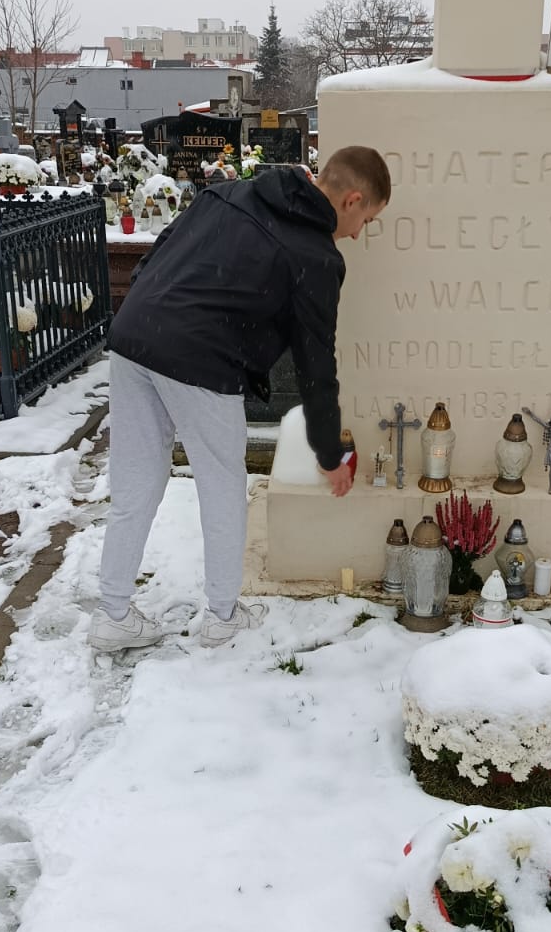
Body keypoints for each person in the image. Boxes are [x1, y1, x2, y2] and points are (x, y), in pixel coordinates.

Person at [88, 145, 391, 653]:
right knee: (223, 488)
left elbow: (161, 249)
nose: (360, 234)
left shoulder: (232, 192)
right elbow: (317, 367)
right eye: (368, 220)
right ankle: (223, 617)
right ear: (352, 200)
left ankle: (112, 613)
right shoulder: (315, 257)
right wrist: (329, 454)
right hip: (202, 358)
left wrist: (148, 311)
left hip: (135, 335)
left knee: (135, 481)